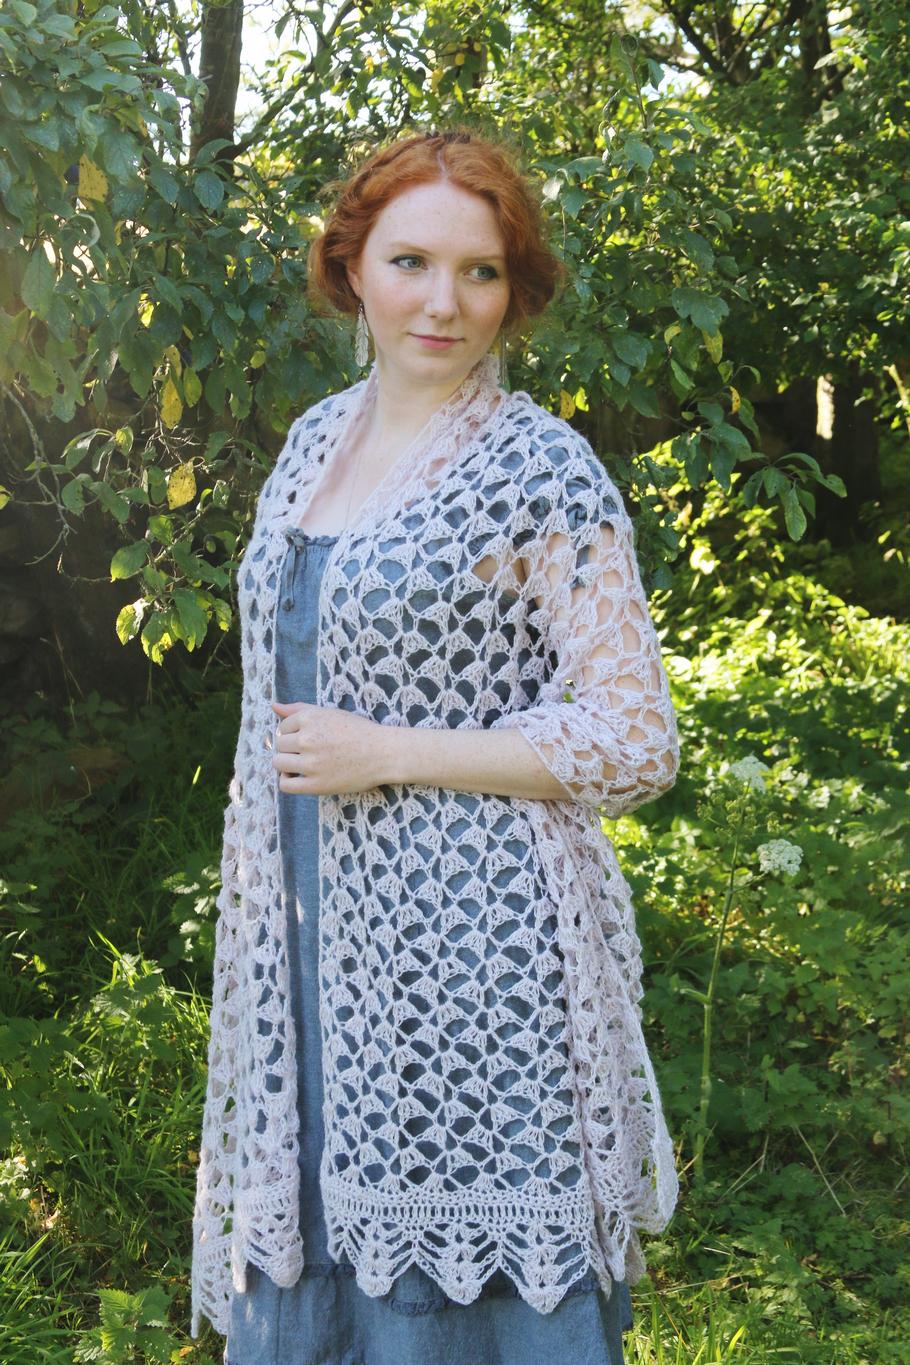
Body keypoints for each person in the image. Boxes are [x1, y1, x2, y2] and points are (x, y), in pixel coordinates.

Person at [191, 126, 681, 1365]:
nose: (443, 303)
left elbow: (634, 737)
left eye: (481, 272)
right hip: (312, 946)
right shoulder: (315, 440)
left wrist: (393, 750)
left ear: (515, 292)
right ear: (351, 265)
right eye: (411, 261)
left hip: (474, 956)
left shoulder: (538, 470)